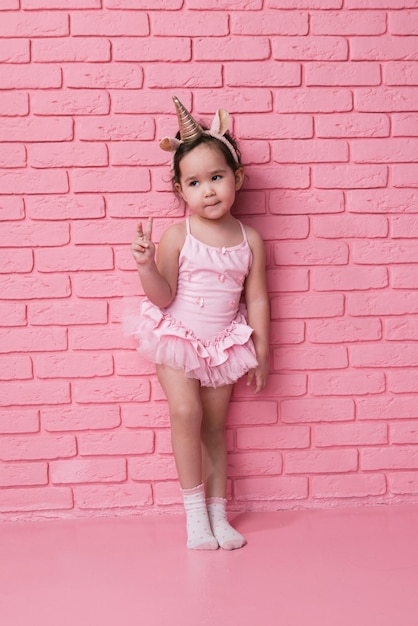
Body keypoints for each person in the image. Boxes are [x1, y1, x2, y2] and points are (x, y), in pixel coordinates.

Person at [128, 96, 270, 550]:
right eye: (195, 182)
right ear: (180, 191)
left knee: (214, 426)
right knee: (185, 413)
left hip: (224, 343)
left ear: (237, 179)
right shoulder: (178, 235)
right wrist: (147, 266)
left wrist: (262, 352)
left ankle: (217, 513)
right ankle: (193, 517)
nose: (208, 190)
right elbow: (164, 296)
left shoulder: (250, 240)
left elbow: (257, 297)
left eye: (216, 177)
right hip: (179, 338)